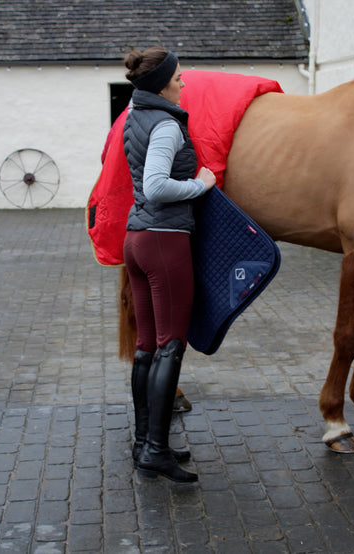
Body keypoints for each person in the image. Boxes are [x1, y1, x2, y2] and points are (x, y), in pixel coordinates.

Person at [122, 46, 216, 483]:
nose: (182, 82)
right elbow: (158, 186)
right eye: (178, 76)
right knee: (169, 345)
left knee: (146, 346)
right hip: (164, 240)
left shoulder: (133, 117)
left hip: (136, 240)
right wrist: (200, 184)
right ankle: (156, 451)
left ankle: (145, 444)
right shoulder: (165, 124)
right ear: (162, 83)